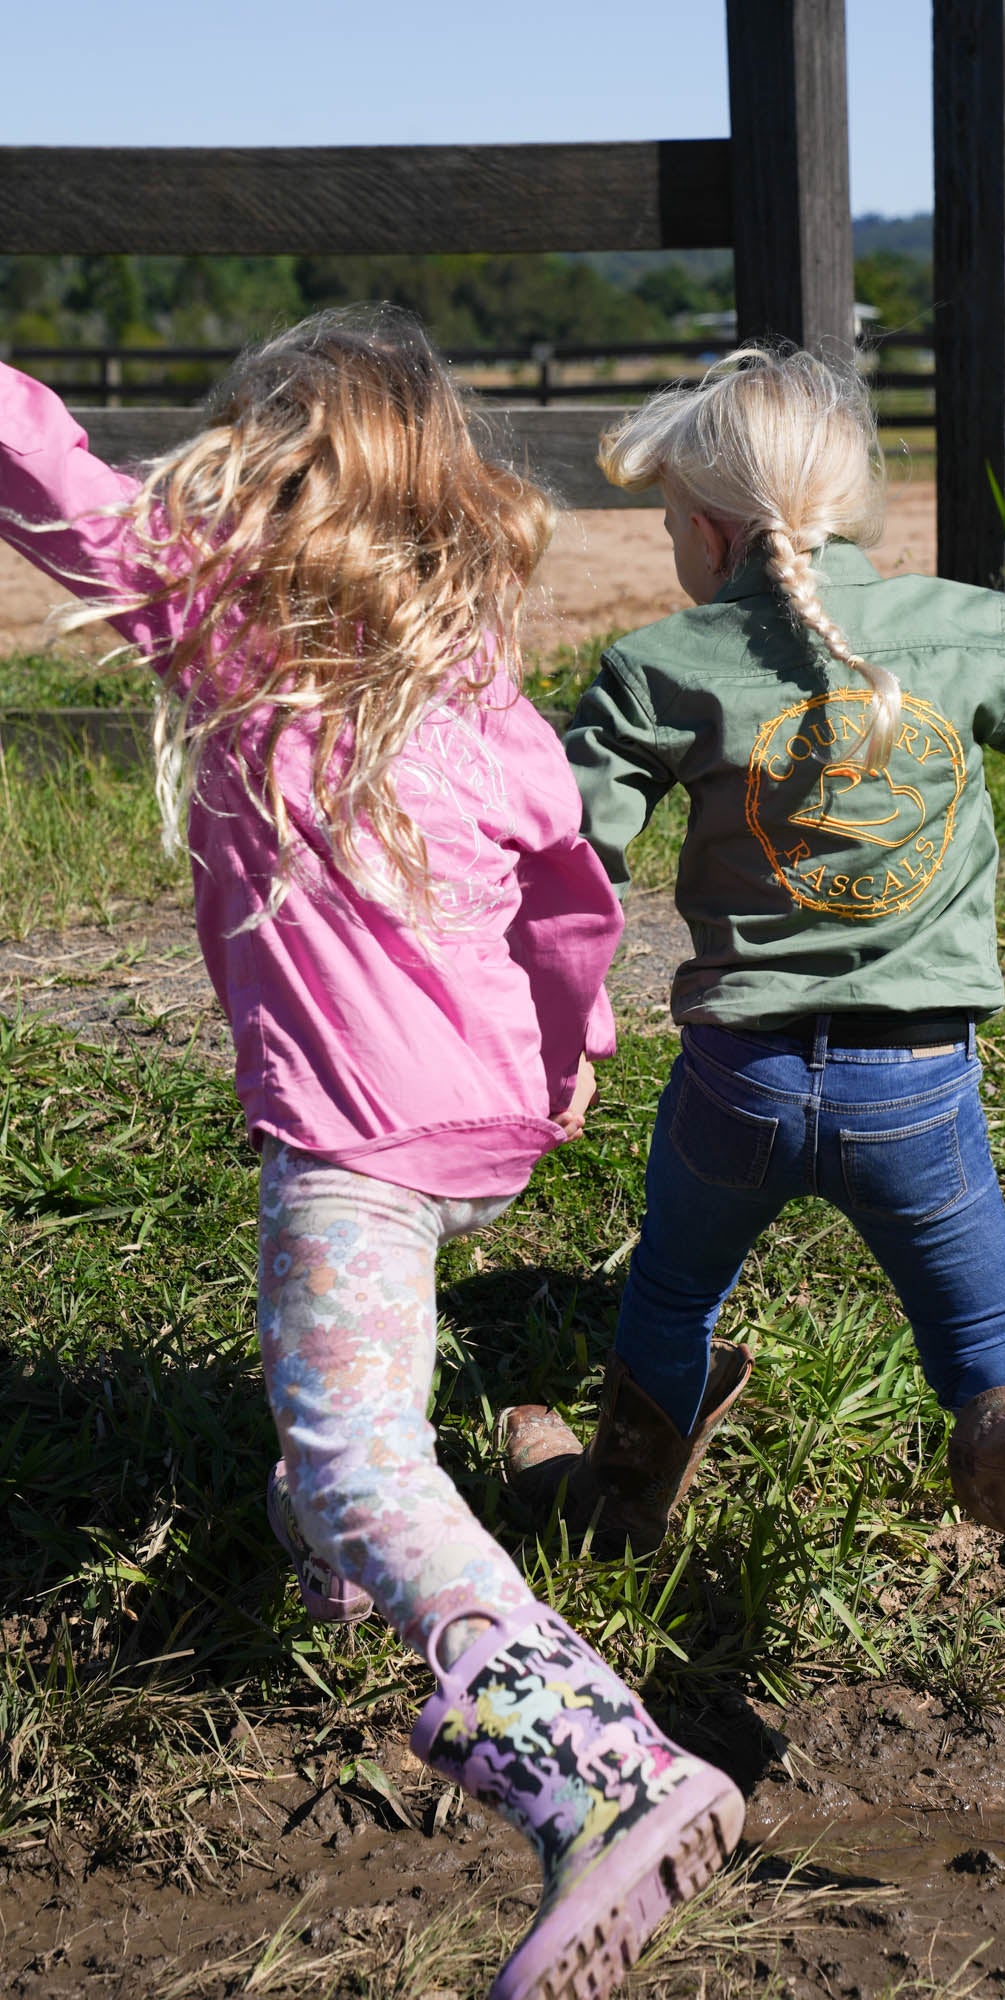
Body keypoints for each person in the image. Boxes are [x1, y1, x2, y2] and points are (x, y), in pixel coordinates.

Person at [0, 312, 742, 1999]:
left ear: (276, 485)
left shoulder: (243, 647)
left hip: (356, 1150)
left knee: (355, 1454)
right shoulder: (491, 703)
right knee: (335, 1432)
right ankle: (348, 1564)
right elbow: (573, 914)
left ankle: (601, 1778)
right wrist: (567, 1075)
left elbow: (47, 476)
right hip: (489, 1128)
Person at [501, 345, 1005, 1737]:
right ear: (853, 503)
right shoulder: (967, 627)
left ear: (701, 528)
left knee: (675, 1297)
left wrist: (506, 988)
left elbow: (563, 866)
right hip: (917, 1086)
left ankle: (623, 1496)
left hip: (735, 1084)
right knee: (990, 1346)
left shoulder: (655, 666)